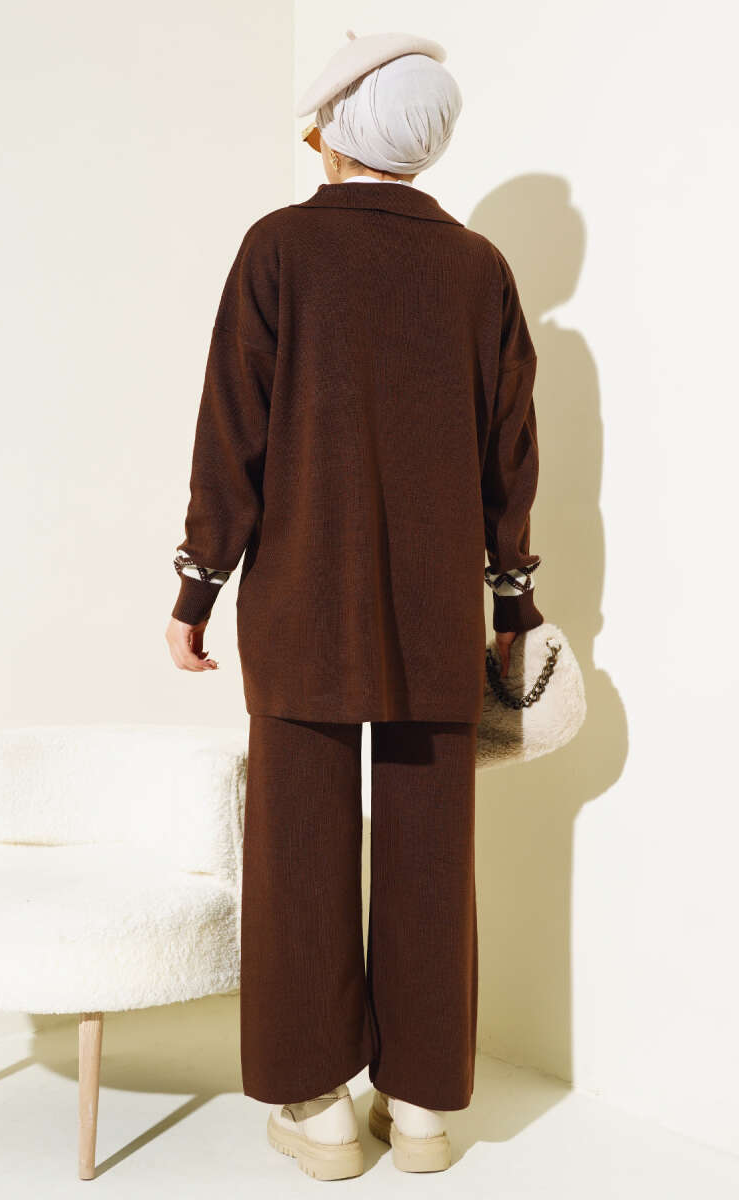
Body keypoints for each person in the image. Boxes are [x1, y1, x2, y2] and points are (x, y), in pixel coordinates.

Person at [165, 29, 544, 1180]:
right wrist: (512, 606)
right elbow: (509, 455)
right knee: (431, 857)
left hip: (301, 611)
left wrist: (196, 585)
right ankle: (421, 1109)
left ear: (335, 129)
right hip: (435, 616)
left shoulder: (279, 248)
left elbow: (231, 434)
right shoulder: (478, 268)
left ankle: (318, 1107)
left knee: (297, 855)